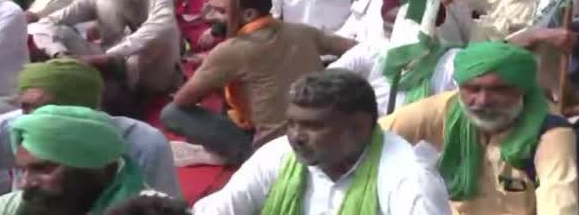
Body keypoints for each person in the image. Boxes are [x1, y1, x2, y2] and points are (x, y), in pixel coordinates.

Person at [193, 68, 451, 214]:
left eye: (313, 126)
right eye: (292, 123)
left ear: (359, 127)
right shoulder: (278, 155)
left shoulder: (408, 179)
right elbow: (222, 208)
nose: (295, 136)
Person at [163, 0, 353, 165]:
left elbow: (182, 100)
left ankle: (242, 155)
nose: (210, 17)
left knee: (172, 112)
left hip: (272, 152)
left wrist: (212, 72)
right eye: (210, 8)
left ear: (249, 14)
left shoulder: (231, 50)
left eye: (220, 12)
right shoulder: (300, 31)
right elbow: (356, 48)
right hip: (321, 135)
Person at [380, 41, 579, 215]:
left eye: (499, 90)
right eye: (473, 89)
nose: (483, 101)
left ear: (522, 90)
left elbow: (560, 203)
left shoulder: (550, 133)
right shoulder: (448, 109)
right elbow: (374, 136)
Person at [0, 58, 181, 198]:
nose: (37, 119)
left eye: (48, 110)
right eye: (27, 108)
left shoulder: (144, 143)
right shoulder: (18, 126)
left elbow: (161, 209)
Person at [31, 0, 181, 116]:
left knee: (156, 39)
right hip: (106, 62)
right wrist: (60, 54)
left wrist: (108, 57)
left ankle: (133, 97)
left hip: (148, 69)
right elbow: (47, 22)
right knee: (59, 31)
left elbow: (156, 29)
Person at [0, 105, 151, 214]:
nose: (24, 184)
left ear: (95, 167)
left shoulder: (151, 209)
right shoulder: (27, 203)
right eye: (23, 170)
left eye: (43, 168)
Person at [331, 0, 459, 115]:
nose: (398, 26)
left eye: (405, 21)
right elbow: (328, 84)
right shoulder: (371, 50)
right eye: (392, 20)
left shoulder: (451, 61)